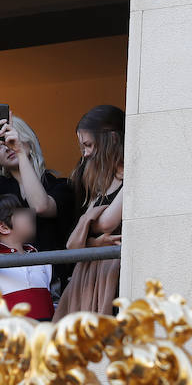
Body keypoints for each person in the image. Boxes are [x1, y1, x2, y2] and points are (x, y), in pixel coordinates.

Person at [0, 113, 74, 298]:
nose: (6, 147)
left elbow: (41, 207)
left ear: (28, 140)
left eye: (11, 138)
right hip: (6, 284)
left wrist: (20, 153)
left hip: (52, 284)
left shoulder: (59, 185)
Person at [53, 105, 124, 319]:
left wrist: (90, 234)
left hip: (115, 276)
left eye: (89, 145)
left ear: (111, 138)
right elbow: (74, 241)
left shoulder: (132, 174)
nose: (85, 153)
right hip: (92, 274)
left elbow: (105, 223)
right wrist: (94, 243)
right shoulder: (96, 176)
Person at [0, 194, 54, 321]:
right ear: (3, 227)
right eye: (21, 212)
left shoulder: (43, 260)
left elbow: (56, 304)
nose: (30, 213)